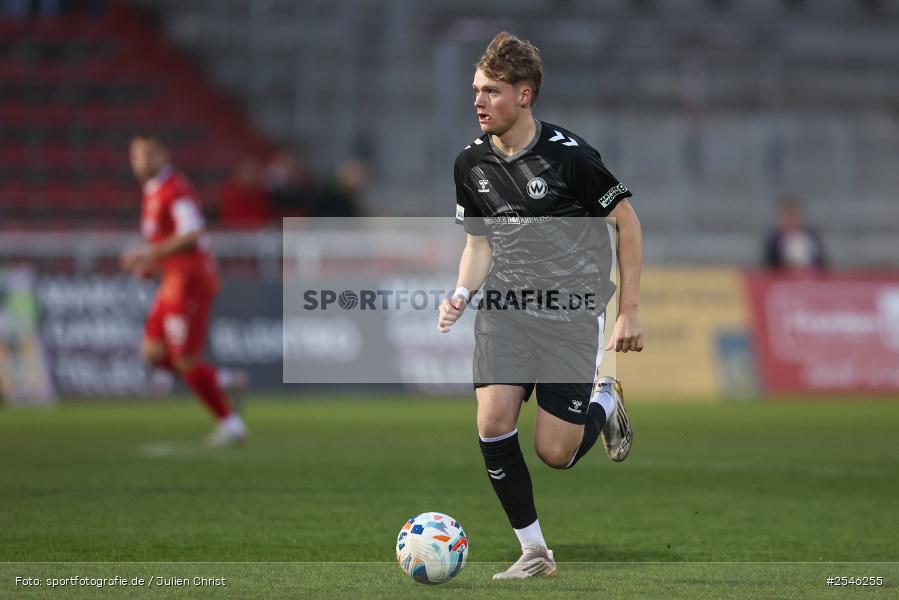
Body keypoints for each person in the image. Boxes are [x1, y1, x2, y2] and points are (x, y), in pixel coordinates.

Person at [438, 32, 645, 579]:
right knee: (491, 423)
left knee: (556, 452)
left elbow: (626, 222)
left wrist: (629, 309)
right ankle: (533, 552)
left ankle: (603, 400)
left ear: (524, 96)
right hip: (506, 308)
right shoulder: (470, 164)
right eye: (476, 90)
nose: (479, 101)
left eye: (492, 91)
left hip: (572, 313)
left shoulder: (570, 158)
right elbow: (478, 243)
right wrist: (462, 292)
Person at [121, 132, 247, 446]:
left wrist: (150, 255)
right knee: (152, 352)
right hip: (172, 280)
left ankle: (231, 424)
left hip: (189, 281)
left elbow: (193, 234)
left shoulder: (174, 190)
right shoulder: (153, 192)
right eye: (137, 155)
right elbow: (170, 243)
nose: (143, 161)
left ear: (164, 156)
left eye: (150, 154)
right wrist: (151, 265)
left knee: (186, 360)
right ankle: (221, 380)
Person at [763, 196, 827, 270]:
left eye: (792, 215)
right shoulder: (773, 240)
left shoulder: (811, 236)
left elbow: (822, 262)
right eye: (785, 216)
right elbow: (769, 266)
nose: (789, 221)